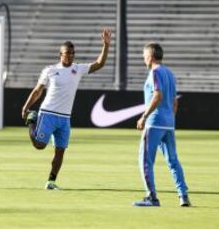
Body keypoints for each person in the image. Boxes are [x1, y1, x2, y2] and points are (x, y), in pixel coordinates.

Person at [21, 29, 112, 190]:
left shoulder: (77, 69)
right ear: (60, 54)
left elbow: (99, 64)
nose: (70, 56)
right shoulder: (50, 70)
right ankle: (31, 121)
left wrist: (106, 45)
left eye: (72, 53)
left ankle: (51, 181)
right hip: (48, 113)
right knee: (39, 145)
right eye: (66, 53)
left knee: (60, 150)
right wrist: (26, 107)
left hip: (64, 118)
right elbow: (37, 91)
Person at [133, 43, 191, 207]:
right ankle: (183, 196)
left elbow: (157, 96)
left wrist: (144, 116)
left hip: (154, 124)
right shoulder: (169, 73)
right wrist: (169, 119)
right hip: (168, 124)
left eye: (144, 56)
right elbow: (174, 101)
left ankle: (152, 197)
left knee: (145, 161)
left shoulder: (155, 72)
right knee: (173, 160)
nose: (144, 59)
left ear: (150, 56)